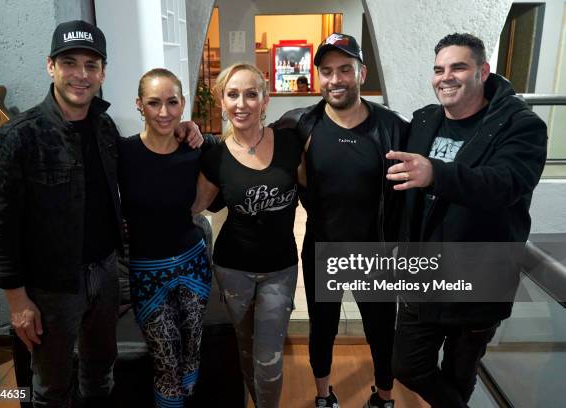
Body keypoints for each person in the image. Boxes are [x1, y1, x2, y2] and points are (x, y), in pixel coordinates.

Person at [386, 33, 547, 407]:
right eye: (439, 69)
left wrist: (437, 174)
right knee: (407, 366)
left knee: (460, 373)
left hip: (479, 281)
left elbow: (505, 184)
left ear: (482, 71)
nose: (446, 77)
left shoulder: (521, 125)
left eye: (458, 67)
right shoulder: (424, 120)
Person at [0, 20, 123, 407]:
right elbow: (0, 227)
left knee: (100, 371)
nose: (81, 75)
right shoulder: (16, 138)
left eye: (91, 65)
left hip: (105, 271)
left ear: (102, 72)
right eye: (69, 62)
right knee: (51, 386)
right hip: (50, 287)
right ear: (51, 66)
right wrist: (17, 301)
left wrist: (185, 131)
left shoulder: (105, 125)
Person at [273, 33, 409, 408]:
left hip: (374, 251)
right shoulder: (300, 124)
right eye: (327, 71)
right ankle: (323, 396)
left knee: (381, 331)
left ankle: (383, 397)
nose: (336, 79)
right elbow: (252, 144)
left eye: (345, 69)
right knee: (323, 328)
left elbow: (414, 188)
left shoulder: (392, 127)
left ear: (361, 73)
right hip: (323, 246)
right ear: (319, 77)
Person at [192, 63, 303, 408]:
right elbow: (195, 207)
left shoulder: (290, 143)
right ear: (222, 102)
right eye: (232, 94)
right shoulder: (215, 157)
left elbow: (321, 189)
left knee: (267, 360)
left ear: (265, 99)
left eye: (251, 94)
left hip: (280, 268)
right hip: (232, 268)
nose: (241, 103)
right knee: (244, 350)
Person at [117, 68, 212, 408]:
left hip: (193, 265)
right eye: (154, 103)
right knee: (166, 362)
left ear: (183, 103)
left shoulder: (196, 148)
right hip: (147, 272)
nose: (164, 112)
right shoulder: (122, 153)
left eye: (172, 102)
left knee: (190, 357)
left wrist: (196, 128)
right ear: (139, 104)